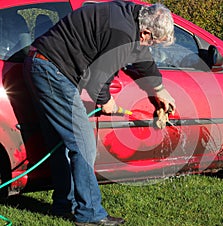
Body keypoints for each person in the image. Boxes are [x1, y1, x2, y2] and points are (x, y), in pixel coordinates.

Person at [23, 1, 176, 226]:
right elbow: (98, 78)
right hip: (53, 71)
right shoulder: (122, 33)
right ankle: (91, 214)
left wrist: (160, 89)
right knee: (83, 144)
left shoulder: (131, 15)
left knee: (61, 143)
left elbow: (141, 54)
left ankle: (65, 204)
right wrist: (105, 100)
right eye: (153, 42)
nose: (151, 46)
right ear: (144, 32)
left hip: (40, 64)